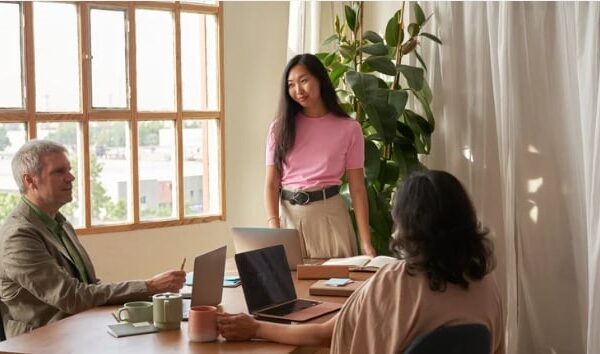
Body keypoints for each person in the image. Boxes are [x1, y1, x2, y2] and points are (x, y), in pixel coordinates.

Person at [218, 170, 505, 354]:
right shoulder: (486, 283)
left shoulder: (394, 282)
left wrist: (256, 328)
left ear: (408, 225)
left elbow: (326, 335)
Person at [0, 140, 186, 338]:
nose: (70, 177)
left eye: (69, 170)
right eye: (59, 172)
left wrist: (150, 293)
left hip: (78, 330)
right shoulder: (18, 236)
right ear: (30, 181)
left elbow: (90, 286)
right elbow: (71, 297)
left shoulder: (59, 223)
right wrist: (149, 286)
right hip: (40, 341)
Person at [265, 53, 375, 258]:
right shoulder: (278, 129)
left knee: (335, 288)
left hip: (330, 218)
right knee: (290, 288)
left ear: (320, 79)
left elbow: (357, 188)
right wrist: (274, 227)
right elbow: (271, 184)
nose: (298, 90)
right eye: (290, 84)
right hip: (289, 221)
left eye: (304, 80)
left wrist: (366, 242)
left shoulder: (349, 129)